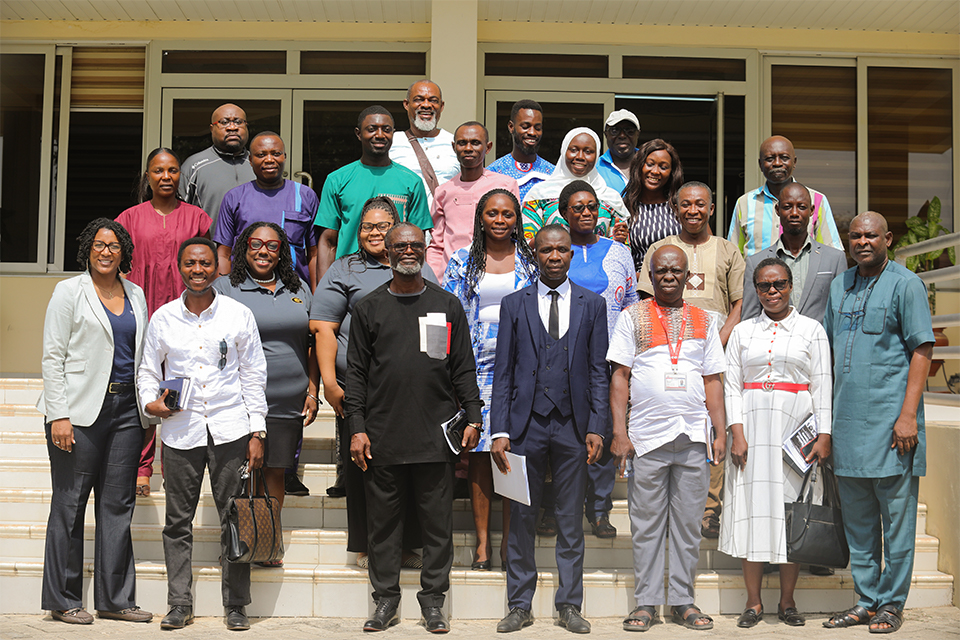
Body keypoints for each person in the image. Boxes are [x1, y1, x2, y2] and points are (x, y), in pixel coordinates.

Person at [345, 223, 482, 633]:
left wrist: (474, 416)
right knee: (383, 528)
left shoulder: (446, 305)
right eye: (400, 245)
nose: (408, 250)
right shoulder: (368, 308)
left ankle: (434, 603)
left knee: (437, 527)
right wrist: (357, 427)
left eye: (415, 245)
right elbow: (356, 375)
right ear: (386, 252)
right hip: (382, 437)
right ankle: (385, 602)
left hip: (434, 436)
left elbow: (462, 367)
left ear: (425, 250)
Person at [138, 237, 268, 632]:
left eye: (206, 263)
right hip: (181, 432)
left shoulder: (238, 314)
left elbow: (253, 374)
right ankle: (179, 603)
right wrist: (151, 404)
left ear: (217, 268)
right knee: (178, 522)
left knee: (235, 518)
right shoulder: (163, 318)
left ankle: (236, 605)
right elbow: (148, 371)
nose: (198, 270)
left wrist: (257, 430)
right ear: (180, 267)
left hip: (231, 429)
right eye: (191, 263)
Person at [490, 225, 609, 635]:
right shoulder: (514, 304)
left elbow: (598, 371)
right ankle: (519, 604)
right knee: (521, 517)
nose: (554, 256)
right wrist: (499, 429)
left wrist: (597, 426)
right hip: (525, 425)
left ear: (571, 254)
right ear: (535, 254)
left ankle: (569, 605)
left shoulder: (593, 304)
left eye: (561, 250)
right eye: (546, 250)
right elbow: (503, 371)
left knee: (570, 518)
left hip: (574, 426)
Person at [822, 211, 934, 634]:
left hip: (892, 429)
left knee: (897, 526)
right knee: (859, 525)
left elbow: (922, 350)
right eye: (855, 236)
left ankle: (891, 604)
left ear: (887, 239)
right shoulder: (840, 286)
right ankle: (867, 601)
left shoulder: (906, 284)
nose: (862, 242)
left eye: (871, 235)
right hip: (848, 427)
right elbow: (828, 352)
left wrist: (908, 416)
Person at [38, 218, 152, 625]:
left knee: (117, 505)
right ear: (88, 249)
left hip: (126, 412)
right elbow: (52, 355)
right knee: (70, 504)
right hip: (79, 412)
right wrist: (59, 414)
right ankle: (63, 599)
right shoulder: (69, 291)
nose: (106, 252)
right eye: (99, 245)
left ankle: (115, 600)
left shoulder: (136, 294)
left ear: (124, 253)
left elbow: (142, 353)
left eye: (114, 245)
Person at [311, 197, 436, 568]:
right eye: (367, 226)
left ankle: (407, 545)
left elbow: (436, 322)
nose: (374, 233)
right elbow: (323, 328)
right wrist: (330, 384)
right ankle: (367, 546)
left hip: (411, 391)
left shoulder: (418, 266)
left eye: (383, 226)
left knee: (408, 468)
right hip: (359, 388)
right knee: (363, 467)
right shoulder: (344, 269)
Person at [608, 245, 726, 632]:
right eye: (661, 271)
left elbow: (713, 380)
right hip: (647, 438)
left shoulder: (705, 320)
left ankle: (682, 601)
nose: (669, 276)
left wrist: (720, 430)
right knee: (646, 525)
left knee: (688, 526)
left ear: (688, 276)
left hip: (693, 436)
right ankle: (646, 602)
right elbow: (620, 377)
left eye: (677, 271)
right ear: (651, 275)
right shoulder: (631, 316)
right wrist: (619, 432)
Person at [722, 258, 833, 629]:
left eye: (779, 284)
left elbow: (823, 384)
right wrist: (737, 432)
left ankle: (787, 601)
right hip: (751, 430)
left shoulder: (811, 329)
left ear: (790, 286)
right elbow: (731, 386)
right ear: (755, 290)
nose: (772, 291)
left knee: (791, 512)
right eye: (764, 286)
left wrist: (824, 435)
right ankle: (753, 602)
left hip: (795, 432)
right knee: (752, 510)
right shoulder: (742, 332)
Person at [636, 182, 744, 538]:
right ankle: (667, 504)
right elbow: (646, 301)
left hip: (713, 356)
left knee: (712, 426)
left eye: (700, 204)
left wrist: (714, 343)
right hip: (665, 356)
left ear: (711, 209)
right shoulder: (660, 249)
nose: (693, 210)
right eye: (685, 204)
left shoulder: (728, 250)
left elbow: (739, 305)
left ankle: (709, 510)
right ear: (675, 209)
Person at [213, 221, 320, 566]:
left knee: (275, 471)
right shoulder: (226, 288)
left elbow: (313, 343)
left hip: (289, 397)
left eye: (273, 246)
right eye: (256, 244)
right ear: (244, 248)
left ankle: (268, 539)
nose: (264, 251)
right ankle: (240, 539)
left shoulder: (298, 287)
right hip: (240, 398)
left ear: (282, 252)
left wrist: (313, 389)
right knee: (244, 470)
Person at [442, 189, 538, 571]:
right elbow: (449, 313)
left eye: (508, 214)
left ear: (517, 220)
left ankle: (509, 545)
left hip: (520, 365)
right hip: (475, 364)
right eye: (493, 213)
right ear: (480, 218)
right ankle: (483, 545)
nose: (500, 220)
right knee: (481, 454)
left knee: (510, 452)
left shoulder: (530, 262)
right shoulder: (462, 260)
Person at [116, 147, 212, 499]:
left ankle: (174, 468)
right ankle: (142, 468)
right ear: (148, 176)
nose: (166, 176)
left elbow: (207, 267)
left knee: (177, 385)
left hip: (183, 314)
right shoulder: (129, 218)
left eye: (172, 170)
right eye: (158, 170)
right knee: (144, 388)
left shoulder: (197, 218)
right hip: (141, 313)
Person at [559, 179, 638, 539]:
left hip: (608, 358)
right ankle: (559, 507)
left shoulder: (619, 252)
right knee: (565, 433)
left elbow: (631, 303)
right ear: (564, 213)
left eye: (592, 206)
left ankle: (600, 509)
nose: (587, 212)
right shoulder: (555, 248)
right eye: (578, 207)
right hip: (563, 356)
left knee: (603, 429)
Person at [314, 105, 432, 280]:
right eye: (372, 129)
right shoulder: (337, 180)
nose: (380, 135)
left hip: (397, 279)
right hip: (349, 278)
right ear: (358, 133)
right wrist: (324, 287)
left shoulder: (412, 182)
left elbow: (418, 241)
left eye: (386, 129)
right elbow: (328, 242)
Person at [214, 131, 319, 290]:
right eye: (261, 155)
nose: (269, 159)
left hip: (294, 290)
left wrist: (316, 296)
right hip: (243, 290)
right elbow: (224, 254)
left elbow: (315, 254)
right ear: (250, 160)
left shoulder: (305, 195)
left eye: (276, 154)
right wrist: (223, 293)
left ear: (284, 156)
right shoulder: (234, 198)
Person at [742, 182, 848, 323]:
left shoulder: (834, 259)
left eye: (801, 207)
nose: (794, 213)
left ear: (811, 211)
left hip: (820, 336)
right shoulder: (756, 262)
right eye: (787, 207)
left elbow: (841, 314)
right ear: (777, 210)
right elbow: (750, 319)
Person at [425, 122, 519, 280]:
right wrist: (435, 281)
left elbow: (514, 235)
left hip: (493, 276)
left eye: (475, 143)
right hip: (452, 280)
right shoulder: (443, 191)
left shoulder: (505, 186)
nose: (468, 148)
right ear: (454, 147)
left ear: (488, 147)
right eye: (462, 143)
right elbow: (437, 245)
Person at [728, 135, 843, 257]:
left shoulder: (817, 200)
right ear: (760, 164)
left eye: (784, 158)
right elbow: (733, 256)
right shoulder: (745, 203)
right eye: (770, 159)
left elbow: (832, 254)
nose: (777, 163)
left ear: (794, 162)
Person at [521, 127, 628, 244]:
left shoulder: (611, 199)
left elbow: (621, 246)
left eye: (588, 152)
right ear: (563, 151)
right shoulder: (538, 195)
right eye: (573, 150)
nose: (580, 157)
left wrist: (619, 240)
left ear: (597, 155)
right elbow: (526, 244)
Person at [178, 103, 255, 233]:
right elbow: (178, 216)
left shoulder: (258, 164)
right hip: (209, 245)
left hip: (255, 245)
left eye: (238, 122)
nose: (232, 127)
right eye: (224, 122)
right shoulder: (194, 165)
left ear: (246, 126)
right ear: (212, 128)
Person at [389, 80, 460, 204]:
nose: (426, 105)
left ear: (442, 106)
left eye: (433, 100)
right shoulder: (391, 143)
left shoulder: (456, 144)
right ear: (406, 104)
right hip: (403, 215)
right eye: (419, 99)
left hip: (445, 216)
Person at [622, 138, 684, 271]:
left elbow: (704, 243)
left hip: (679, 280)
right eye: (650, 164)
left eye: (663, 167)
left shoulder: (681, 207)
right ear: (639, 166)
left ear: (672, 172)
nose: (655, 171)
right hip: (639, 281)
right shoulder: (625, 208)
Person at [487, 99, 555, 200]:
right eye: (525, 126)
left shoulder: (553, 174)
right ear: (511, 127)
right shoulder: (493, 172)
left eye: (537, 128)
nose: (532, 132)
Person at [596, 109, 640, 194]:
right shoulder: (595, 169)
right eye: (614, 131)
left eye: (629, 131)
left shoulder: (649, 165)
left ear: (637, 134)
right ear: (606, 135)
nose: (622, 135)